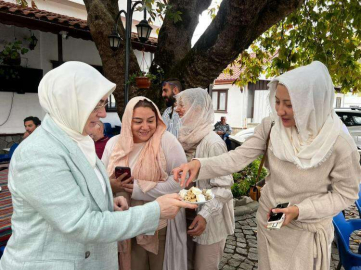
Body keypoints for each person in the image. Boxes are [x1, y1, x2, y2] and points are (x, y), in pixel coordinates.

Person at [0, 62, 196, 270]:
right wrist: (155, 211)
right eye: (96, 105)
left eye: (104, 104)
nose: (103, 114)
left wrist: (108, 201)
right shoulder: (39, 153)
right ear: (69, 103)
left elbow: (78, 193)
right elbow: (81, 224)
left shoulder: (78, 140)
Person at [173, 61, 361, 270]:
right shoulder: (272, 126)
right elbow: (239, 157)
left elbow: (346, 194)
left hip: (306, 229)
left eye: (289, 104)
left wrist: (299, 210)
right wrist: (199, 165)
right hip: (272, 216)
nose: (280, 111)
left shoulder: (339, 143)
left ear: (312, 102)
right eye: (277, 101)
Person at [102, 96, 189, 270]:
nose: (145, 127)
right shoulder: (114, 144)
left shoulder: (166, 141)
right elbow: (102, 181)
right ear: (127, 121)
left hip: (161, 223)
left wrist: (138, 189)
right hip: (127, 222)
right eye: (137, 121)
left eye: (151, 121)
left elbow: (181, 181)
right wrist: (115, 186)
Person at [174, 88, 234, 270]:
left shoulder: (213, 143)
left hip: (209, 222)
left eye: (182, 104)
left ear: (197, 109)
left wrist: (204, 215)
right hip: (187, 216)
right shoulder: (185, 138)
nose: (176, 109)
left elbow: (223, 188)